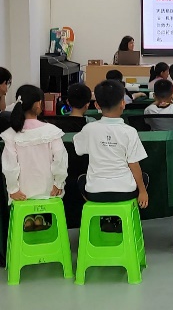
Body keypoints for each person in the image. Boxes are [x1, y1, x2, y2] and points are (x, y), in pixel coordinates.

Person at [74, 80, 149, 232]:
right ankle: (119, 221)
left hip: (95, 193)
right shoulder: (130, 132)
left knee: (81, 179)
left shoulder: (89, 129)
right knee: (144, 177)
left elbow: (79, 150)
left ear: (97, 105)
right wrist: (142, 191)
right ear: (123, 103)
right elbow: (134, 164)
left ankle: (105, 218)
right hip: (125, 191)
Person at [1, 85, 68, 231]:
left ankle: (29, 219)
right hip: (49, 191)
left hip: (22, 194)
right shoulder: (51, 131)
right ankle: (42, 219)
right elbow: (60, 159)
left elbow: (9, 165)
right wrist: (58, 183)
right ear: (38, 104)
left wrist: (13, 189)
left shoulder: (11, 134)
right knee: (54, 199)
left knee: (22, 206)